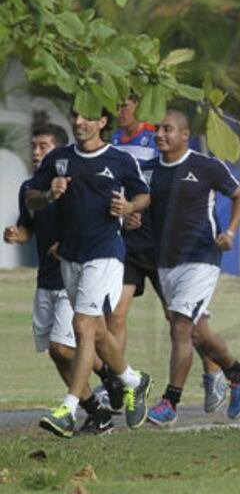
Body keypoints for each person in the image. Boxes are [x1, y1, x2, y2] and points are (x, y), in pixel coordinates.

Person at [26, 108, 152, 438]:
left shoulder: (120, 159)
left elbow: (144, 195)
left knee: (82, 325)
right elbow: (32, 197)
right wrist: (49, 194)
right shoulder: (59, 159)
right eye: (75, 116)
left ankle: (68, 409)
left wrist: (129, 207)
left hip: (106, 253)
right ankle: (133, 380)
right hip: (70, 256)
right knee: (95, 330)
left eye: (88, 117)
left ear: (102, 122)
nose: (79, 122)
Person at [109, 96, 228, 414]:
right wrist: (128, 213)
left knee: (182, 321)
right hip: (131, 242)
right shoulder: (115, 140)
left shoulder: (157, 137)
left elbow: (162, 188)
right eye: (115, 105)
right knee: (116, 314)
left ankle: (213, 373)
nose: (118, 111)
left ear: (138, 105)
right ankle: (118, 381)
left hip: (162, 242)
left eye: (124, 105)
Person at [142, 108, 240, 426]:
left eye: (167, 129)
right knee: (198, 333)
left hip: (202, 258)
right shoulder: (148, 170)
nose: (160, 134)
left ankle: (170, 402)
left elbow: (239, 196)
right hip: (165, 263)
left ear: (185, 135)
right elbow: (141, 204)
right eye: (158, 129)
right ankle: (239, 376)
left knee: (181, 328)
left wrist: (230, 232)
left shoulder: (206, 166)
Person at [4, 125, 113, 434]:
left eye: (43, 146)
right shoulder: (29, 188)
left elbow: (96, 225)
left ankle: (109, 378)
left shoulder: (77, 185)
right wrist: (16, 234)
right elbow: (28, 227)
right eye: (34, 146)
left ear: (60, 153)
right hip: (45, 281)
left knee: (62, 348)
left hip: (73, 279)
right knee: (56, 352)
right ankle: (99, 407)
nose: (36, 152)